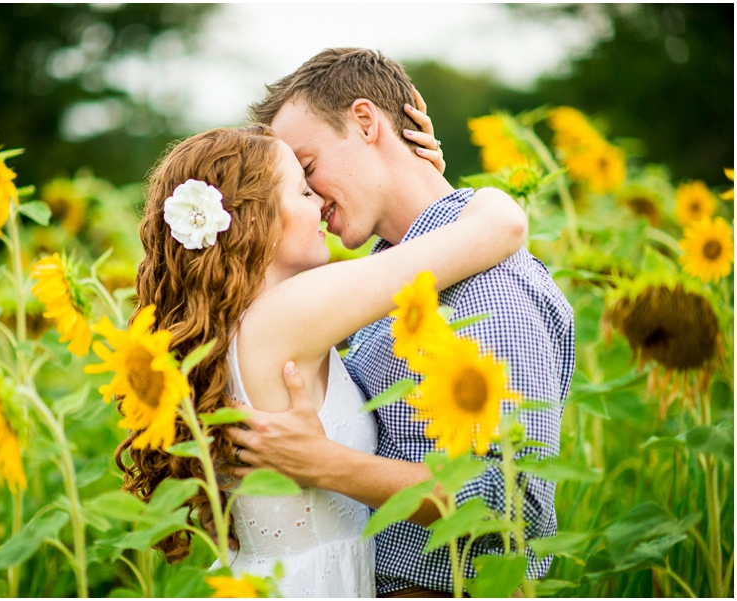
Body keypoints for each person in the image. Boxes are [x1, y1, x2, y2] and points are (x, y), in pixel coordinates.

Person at [115, 95, 527, 595]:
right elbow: (501, 227)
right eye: (303, 191)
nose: (320, 204)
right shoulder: (287, 316)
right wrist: (436, 189)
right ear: (254, 220)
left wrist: (407, 181)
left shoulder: (239, 325)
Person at [224, 48, 575, 597]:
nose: (311, 199)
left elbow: (514, 504)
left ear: (366, 122)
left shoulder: (492, 289)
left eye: (308, 168)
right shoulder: (389, 278)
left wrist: (327, 464)